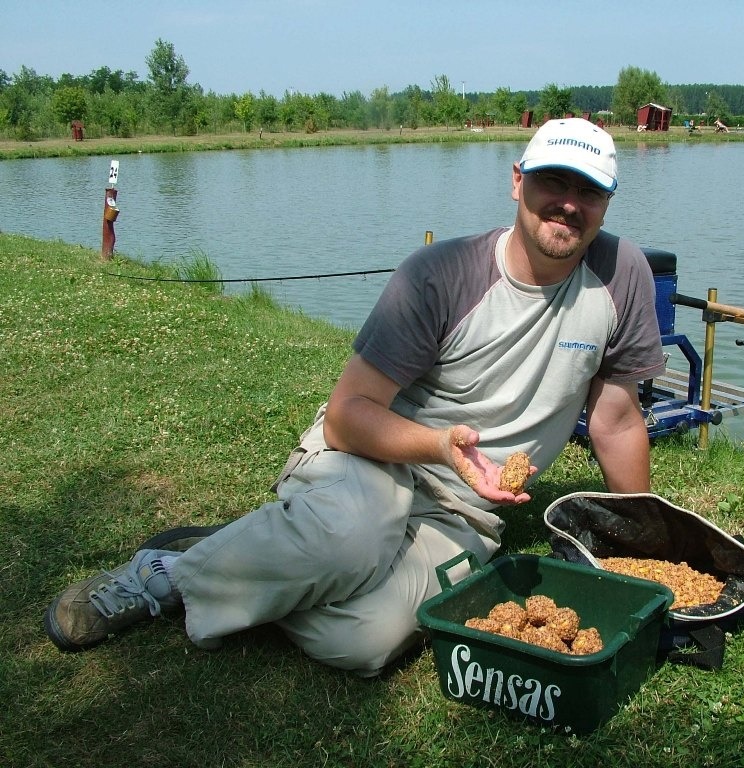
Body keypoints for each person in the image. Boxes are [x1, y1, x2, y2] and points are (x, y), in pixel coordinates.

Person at [44, 117, 668, 676]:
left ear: (607, 203)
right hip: (375, 456)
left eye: (588, 190)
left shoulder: (622, 275)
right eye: (552, 182)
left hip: (466, 513)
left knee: (363, 641)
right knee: (354, 537)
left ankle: (271, 556)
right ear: (517, 182)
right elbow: (347, 417)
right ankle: (166, 577)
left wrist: (645, 542)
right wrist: (439, 447)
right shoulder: (440, 274)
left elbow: (615, 419)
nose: (567, 205)